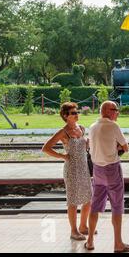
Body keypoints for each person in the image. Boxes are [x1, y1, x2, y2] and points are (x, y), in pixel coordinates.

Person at [85, 101, 129, 253]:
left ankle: (90, 241)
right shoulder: (113, 126)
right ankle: (118, 244)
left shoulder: (92, 127)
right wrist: (115, 147)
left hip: (97, 170)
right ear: (107, 111)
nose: (117, 112)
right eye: (115, 110)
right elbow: (125, 147)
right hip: (112, 169)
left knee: (95, 205)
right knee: (117, 206)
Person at [42, 102, 92, 241]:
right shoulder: (63, 132)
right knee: (73, 200)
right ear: (65, 116)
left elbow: (84, 146)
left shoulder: (81, 128)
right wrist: (63, 156)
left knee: (88, 197)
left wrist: (87, 144)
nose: (77, 115)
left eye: (77, 112)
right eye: (73, 113)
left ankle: (83, 226)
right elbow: (46, 148)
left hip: (84, 167)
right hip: (71, 169)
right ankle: (73, 231)